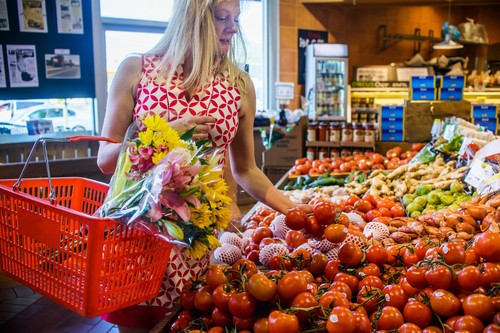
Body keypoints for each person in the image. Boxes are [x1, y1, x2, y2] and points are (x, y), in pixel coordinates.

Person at [97, 1, 308, 332]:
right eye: (223, 17)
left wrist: (296, 211)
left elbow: (246, 170)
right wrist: (165, 136)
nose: (233, 28)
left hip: (198, 241)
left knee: (192, 323)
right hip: (136, 236)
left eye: (236, 19)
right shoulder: (137, 70)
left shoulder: (240, 85)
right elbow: (106, 161)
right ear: (192, 19)